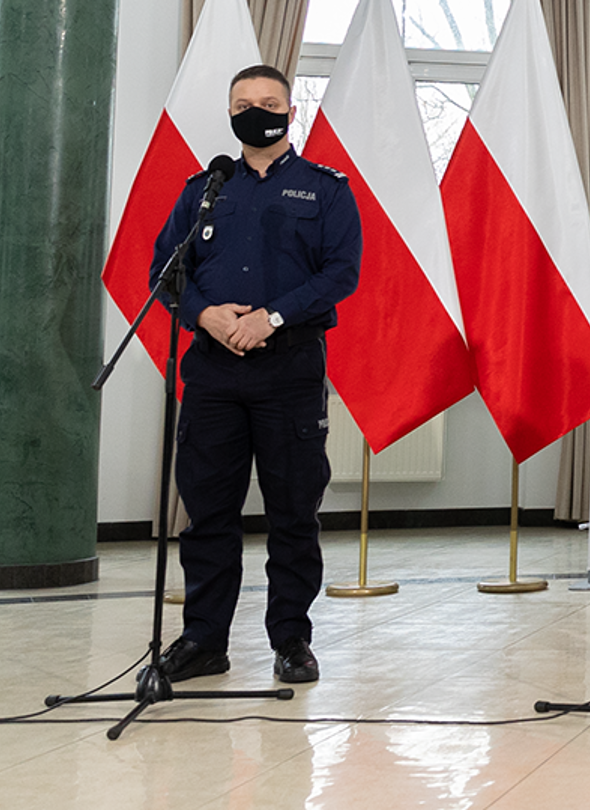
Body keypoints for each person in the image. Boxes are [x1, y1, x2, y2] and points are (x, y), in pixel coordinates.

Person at [153, 64, 360, 685]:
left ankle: (291, 639)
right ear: (230, 114)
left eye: (269, 103)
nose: (255, 112)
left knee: (293, 514)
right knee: (208, 512)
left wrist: (270, 317)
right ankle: (203, 639)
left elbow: (340, 273)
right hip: (213, 373)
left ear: (290, 113)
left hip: (289, 370)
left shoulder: (326, 189)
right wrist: (204, 315)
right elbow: (165, 272)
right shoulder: (205, 188)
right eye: (243, 104)